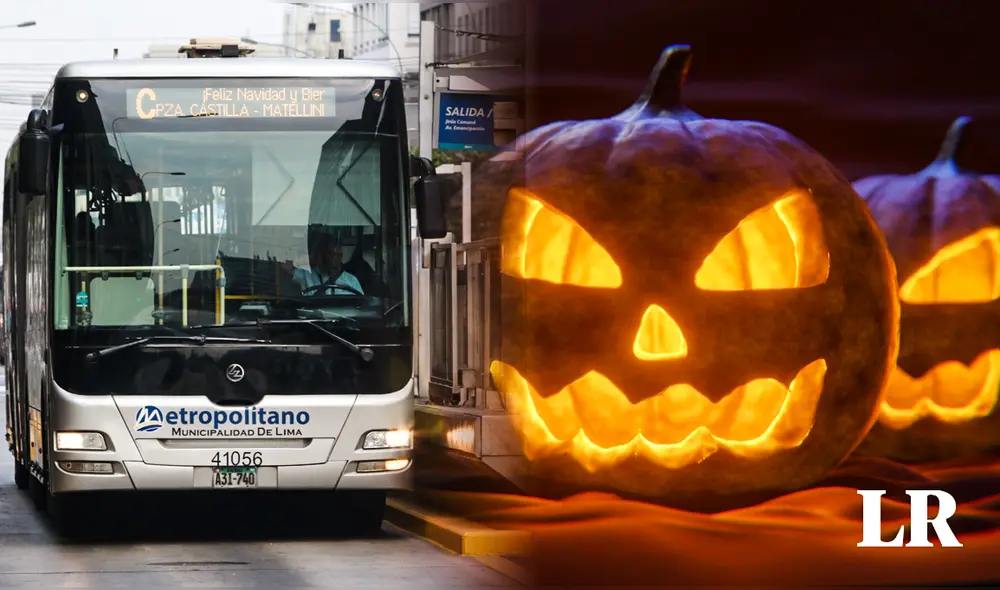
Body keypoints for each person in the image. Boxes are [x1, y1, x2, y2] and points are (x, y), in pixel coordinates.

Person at [283, 233, 364, 296]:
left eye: (339, 255)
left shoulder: (351, 281)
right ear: (321, 255)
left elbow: (361, 306)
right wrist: (310, 259)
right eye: (332, 255)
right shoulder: (306, 274)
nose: (337, 260)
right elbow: (284, 266)